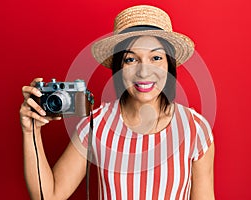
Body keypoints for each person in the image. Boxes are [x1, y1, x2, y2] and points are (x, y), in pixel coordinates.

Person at [20, 5, 215, 200]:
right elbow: (48, 196)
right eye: (131, 59)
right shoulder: (96, 125)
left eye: (156, 57)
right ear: (119, 67)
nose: (144, 71)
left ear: (169, 64)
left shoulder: (195, 129)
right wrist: (31, 132)